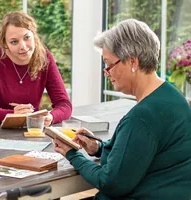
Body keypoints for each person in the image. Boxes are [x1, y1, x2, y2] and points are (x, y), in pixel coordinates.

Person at [54, 19, 191, 199]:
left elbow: (111, 182)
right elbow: (137, 155)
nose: (106, 72)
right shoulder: (172, 96)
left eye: (109, 64)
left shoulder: (142, 117)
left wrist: (72, 154)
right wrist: (98, 148)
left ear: (133, 62)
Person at [0, 11, 72, 126]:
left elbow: (64, 104)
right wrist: (12, 115)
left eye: (27, 37)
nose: (23, 46)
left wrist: (51, 116)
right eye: (14, 42)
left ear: (34, 36)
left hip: (30, 131)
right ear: (5, 44)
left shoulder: (45, 57)